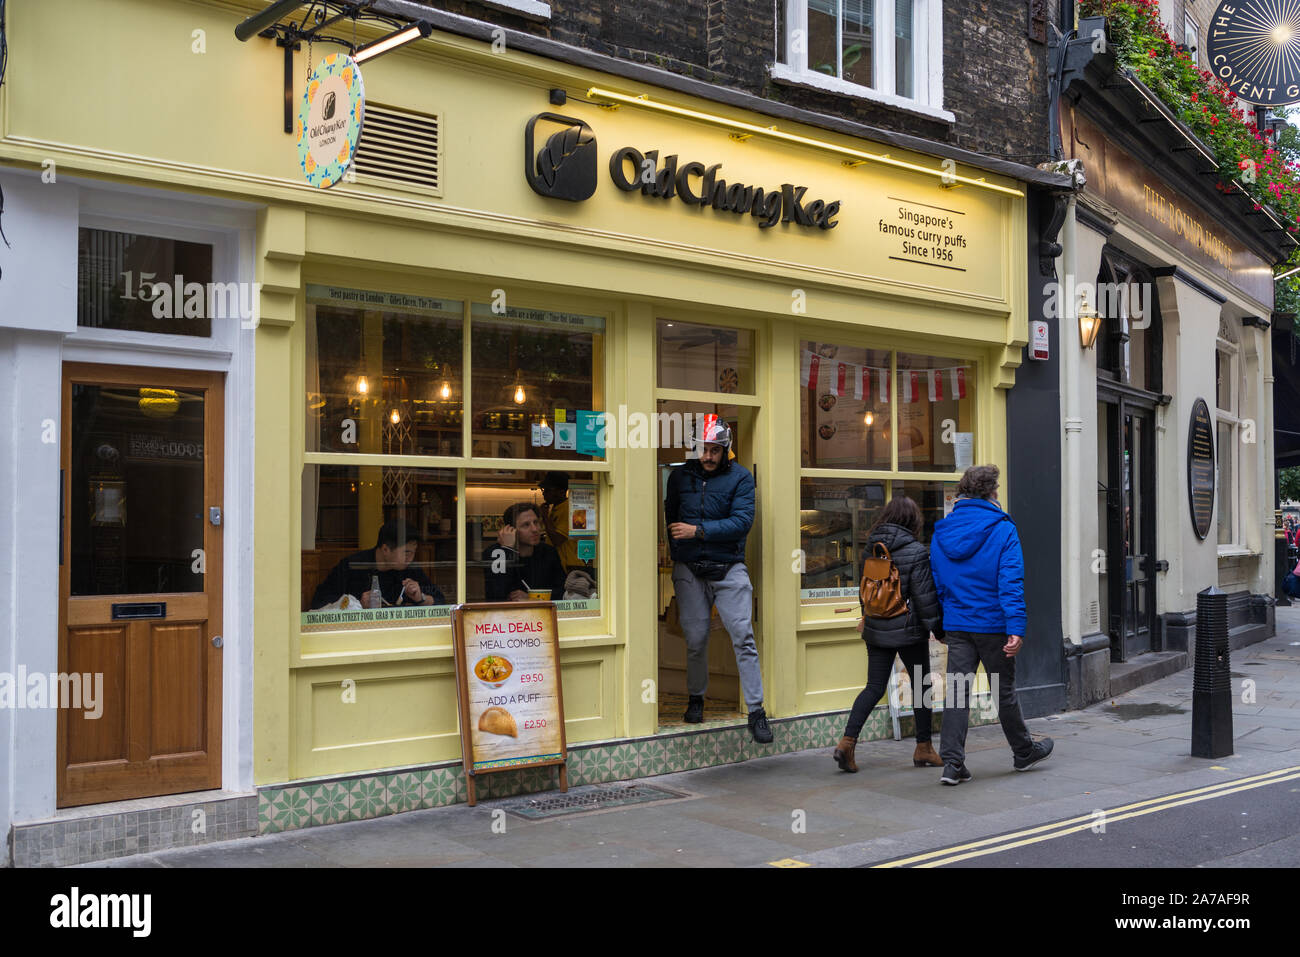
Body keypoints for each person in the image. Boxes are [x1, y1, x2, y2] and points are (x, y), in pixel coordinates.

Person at [929, 464, 1053, 785]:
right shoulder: (1002, 528)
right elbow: (1009, 582)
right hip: (993, 624)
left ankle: (953, 764)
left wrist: (944, 621)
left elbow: (939, 584)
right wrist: (1016, 626)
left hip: (958, 624)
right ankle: (1023, 751)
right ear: (991, 493)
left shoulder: (943, 531)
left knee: (957, 693)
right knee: (1003, 691)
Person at [665, 414, 773, 743]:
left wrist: (697, 532)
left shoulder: (741, 478)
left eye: (714, 450)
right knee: (696, 641)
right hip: (689, 570)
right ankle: (696, 698)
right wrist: (678, 554)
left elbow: (742, 522)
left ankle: (756, 711)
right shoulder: (678, 478)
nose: (708, 457)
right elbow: (670, 517)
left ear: (726, 449)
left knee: (743, 636)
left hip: (729, 567)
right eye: (702, 449)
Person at [833, 496, 943, 773]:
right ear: (912, 521)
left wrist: (866, 617)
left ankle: (847, 742)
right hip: (908, 629)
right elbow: (924, 597)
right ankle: (924, 748)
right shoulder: (916, 551)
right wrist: (939, 630)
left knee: (873, 687)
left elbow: (865, 591)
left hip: (876, 627)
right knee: (921, 686)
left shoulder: (871, 548)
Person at [311, 522, 445, 609]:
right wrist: (358, 604)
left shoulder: (410, 570)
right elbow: (319, 602)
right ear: (385, 550)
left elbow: (441, 601)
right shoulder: (353, 566)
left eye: (414, 552)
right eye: (406, 552)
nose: (411, 558)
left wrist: (420, 597)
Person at [481, 502, 567, 601]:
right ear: (511, 530)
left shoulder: (548, 552)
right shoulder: (496, 553)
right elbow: (496, 595)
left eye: (536, 522)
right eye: (526, 525)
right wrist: (507, 550)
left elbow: (563, 592)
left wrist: (532, 598)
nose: (535, 529)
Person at [537, 472, 582, 572]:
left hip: (569, 567)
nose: (544, 493)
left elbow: (557, 540)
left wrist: (545, 516)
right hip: (560, 564)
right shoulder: (556, 507)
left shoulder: (570, 509)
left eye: (548, 490)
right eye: (543, 490)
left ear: (561, 492)